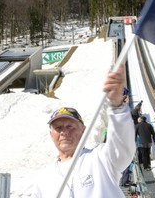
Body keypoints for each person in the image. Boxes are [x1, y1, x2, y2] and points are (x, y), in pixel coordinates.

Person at [32, 65, 136, 197]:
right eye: (58, 128)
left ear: (83, 131)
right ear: (51, 134)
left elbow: (122, 149)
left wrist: (117, 107)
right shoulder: (43, 179)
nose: (64, 132)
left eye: (70, 126)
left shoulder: (100, 158)